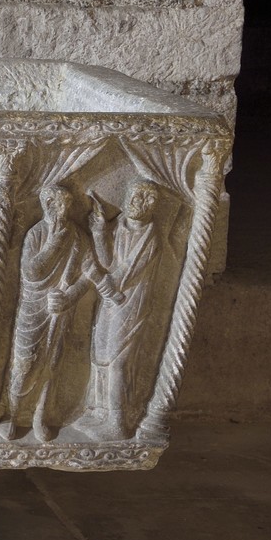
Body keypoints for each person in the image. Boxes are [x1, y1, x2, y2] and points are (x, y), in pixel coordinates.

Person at [3, 184, 104, 442]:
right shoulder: (36, 234)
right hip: (32, 311)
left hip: (61, 311)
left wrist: (69, 297)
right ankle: (12, 415)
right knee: (24, 363)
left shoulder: (78, 236)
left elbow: (89, 274)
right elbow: (31, 272)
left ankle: (40, 416)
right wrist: (54, 242)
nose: (64, 210)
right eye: (59, 204)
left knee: (53, 364)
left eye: (68, 205)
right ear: (47, 205)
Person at [86, 181, 164, 438]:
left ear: (151, 206)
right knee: (101, 354)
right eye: (132, 196)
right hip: (111, 300)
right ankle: (101, 412)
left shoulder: (150, 237)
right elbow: (108, 262)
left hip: (131, 302)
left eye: (141, 199)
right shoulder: (119, 225)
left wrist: (108, 286)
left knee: (119, 360)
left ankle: (118, 424)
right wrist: (99, 232)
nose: (134, 202)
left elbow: (128, 272)